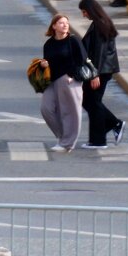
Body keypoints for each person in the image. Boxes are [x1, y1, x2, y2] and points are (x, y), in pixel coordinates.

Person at [39, 13, 89, 153]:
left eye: (66, 23)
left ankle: (67, 143)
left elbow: (83, 61)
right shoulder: (49, 44)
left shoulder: (73, 41)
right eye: (61, 23)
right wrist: (44, 65)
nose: (65, 25)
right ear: (54, 26)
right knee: (46, 109)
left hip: (69, 80)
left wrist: (72, 76)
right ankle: (63, 137)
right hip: (52, 81)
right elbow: (48, 61)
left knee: (70, 112)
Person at [79, 0, 124, 148]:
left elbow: (99, 53)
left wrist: (94, 75)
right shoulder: (101, 23)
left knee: (92, 102)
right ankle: (106, 130)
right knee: (91, 101)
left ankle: (100, 138)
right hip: (102, 70)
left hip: (99, 71)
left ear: (90, 10)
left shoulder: (100, 26)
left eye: (84, 12)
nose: (83, 15)